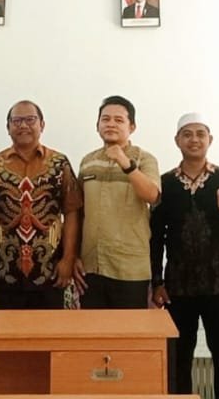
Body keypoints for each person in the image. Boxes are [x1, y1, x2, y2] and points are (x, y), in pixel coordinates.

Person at [150, 113, 219, 399]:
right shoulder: (164, 183)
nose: (194, 140)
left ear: (210, 140)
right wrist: (157, 282)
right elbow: (155, 237)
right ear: (177, 140)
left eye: (200, 134)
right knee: (179, 357)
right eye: (187, 134)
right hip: (178, 288)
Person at [0, 100, 81, 309]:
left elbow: (71, 211)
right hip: (5, 272)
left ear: (42, 124)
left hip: (49, 271)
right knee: (6, 329)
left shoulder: (59, 163)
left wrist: (68, 258)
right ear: (8, 127)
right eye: (17, 121)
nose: (23, 125)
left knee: (49, 329)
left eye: (30, 120)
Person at [76, 95, 160, 308]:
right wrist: (74, 256)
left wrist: (126, 163)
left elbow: (152, 195)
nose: (111, 124)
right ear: (97, 125)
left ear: (132, 127)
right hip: (91, 267)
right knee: (93, 328)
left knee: (129, 329)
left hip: (129, 268)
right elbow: (78, 212)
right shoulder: (87, 162)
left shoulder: (144, 159)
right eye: (105, 119)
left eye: (119, 120)